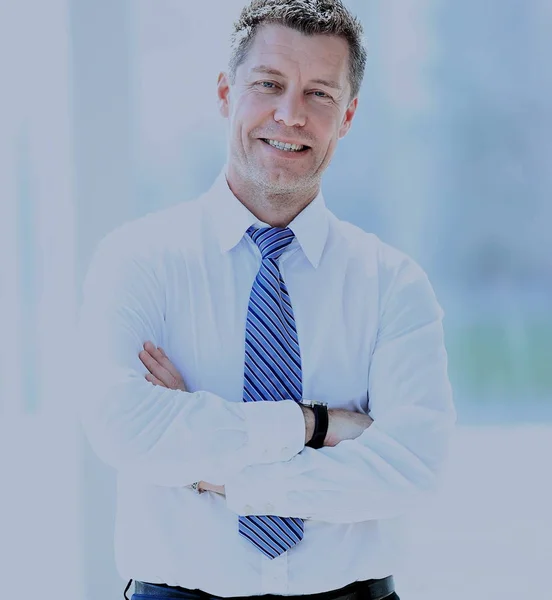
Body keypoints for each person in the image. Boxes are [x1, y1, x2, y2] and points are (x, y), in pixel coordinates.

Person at [77, 1, 456, 599]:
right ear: (227, 92)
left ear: (348, 115)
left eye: (319, 95)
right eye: (269, 84)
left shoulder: (392, 283)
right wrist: (316, 425)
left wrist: (212, 471)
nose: (290, 114)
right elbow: (123, 430)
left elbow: (411, 468)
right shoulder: (138, 260)